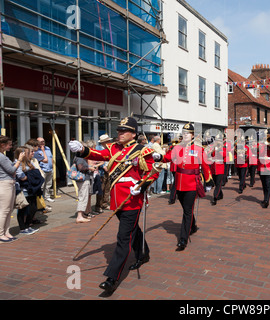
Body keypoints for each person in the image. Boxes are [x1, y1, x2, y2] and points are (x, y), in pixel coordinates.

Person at [69, 116, 161, 294]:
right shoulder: (113, 148)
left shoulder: (143, 151)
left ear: (133, 134)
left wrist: (141, 186)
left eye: (123, 130)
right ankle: (143, 253)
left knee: (123, 237)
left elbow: (152, 172)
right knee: (133, 230)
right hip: (117, 199)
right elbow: (97, 154)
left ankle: (112, 278)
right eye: (118, 130)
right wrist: (82, 149)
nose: (119, 133)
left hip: (132, 199)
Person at [162, 123, 214, 251]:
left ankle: (183, 239)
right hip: (179, 183)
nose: (185, 135)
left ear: (192, 135)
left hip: (192, 183)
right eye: (184, 133)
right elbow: (167, 158)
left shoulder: (198, 149)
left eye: (188, 133)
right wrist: (158, 157)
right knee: (186, 208)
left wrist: (208, 180)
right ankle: (193, 226)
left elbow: (205, 165)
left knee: (187, 211)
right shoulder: (177, 148)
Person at [0, 136, 25, 242]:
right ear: (2, 145)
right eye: (9, 145)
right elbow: (11, 170)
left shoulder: (3, 156)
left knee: (9, 210)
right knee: (4, 210)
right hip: (4, 184)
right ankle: (1, 233)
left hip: (9, 184)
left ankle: (6, 232)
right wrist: (19, 160)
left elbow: (12, 170)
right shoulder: (1, 156)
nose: (11, 147)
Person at [14, 146, 44, 235]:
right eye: (27, 153)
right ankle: (23, 228)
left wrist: (29, 175)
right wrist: (30, 175)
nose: (30, 154)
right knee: (23, 209)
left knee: (33, 208)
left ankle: (28, 226)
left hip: (32, 189)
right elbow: (21, 177)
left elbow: (36, 172)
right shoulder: (17, 163)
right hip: (23, 190)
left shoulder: (29, 162)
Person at [73, 143, 94, 224]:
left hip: (84, 179)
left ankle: (81, 215)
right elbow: (81, 167)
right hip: (83, 179)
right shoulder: (80, 157)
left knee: (83, 196)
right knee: (83, 196)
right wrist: (89, 168)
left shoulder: (80, 156)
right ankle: (80, 216)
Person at [258, 130, 270, 208]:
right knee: (264, 184)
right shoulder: (261, 144)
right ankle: (265, 198)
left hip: (269, 167)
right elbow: (257, 151)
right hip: (261, 167)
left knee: (268, 185)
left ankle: (266, 201)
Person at [35, 137, 54, 203]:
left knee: (48, 185)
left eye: (43, 141)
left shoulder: (48, 148)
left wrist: (52, 166)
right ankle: (41, 199)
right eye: (41, 142)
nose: (43, 143)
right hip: (42, 170)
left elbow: (51, 157)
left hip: (50, 169)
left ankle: (47, 197)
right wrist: (42, 150)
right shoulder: (36, 150)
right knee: (42, 186)